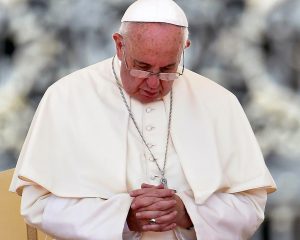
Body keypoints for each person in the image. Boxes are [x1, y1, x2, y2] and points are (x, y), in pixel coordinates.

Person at [10, 0, 276, 239]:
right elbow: (37, 206)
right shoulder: (66, 96)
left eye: (168, 70)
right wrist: (122, 218)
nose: (153, 83)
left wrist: (188, 213)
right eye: (142, 67)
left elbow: (251, 206)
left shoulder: (219, 101)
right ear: (119, 44)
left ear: (184, 48)